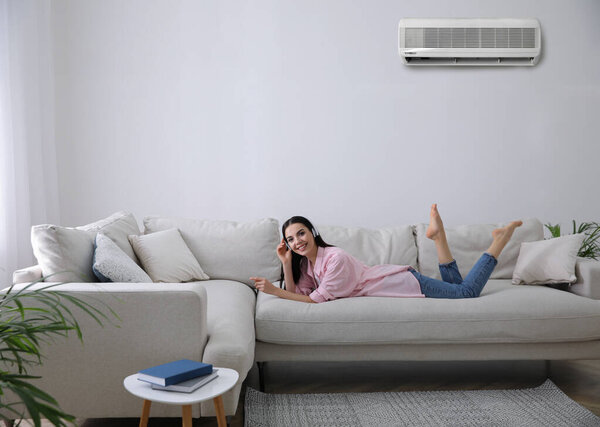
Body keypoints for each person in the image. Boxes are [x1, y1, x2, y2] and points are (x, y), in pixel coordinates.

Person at [250, 204, 523, 303]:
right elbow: (300, 294)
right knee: (456, 286)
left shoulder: (335, 259)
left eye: (301, 233)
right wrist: (287, 263)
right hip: (400, 279)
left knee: (466, 293)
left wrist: (274, 292)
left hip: (404, 283)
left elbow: (313, 301)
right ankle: (439, 238)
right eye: (290, 239)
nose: (297, 241)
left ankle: (499, 242)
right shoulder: (309, 266)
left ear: (311, 231)